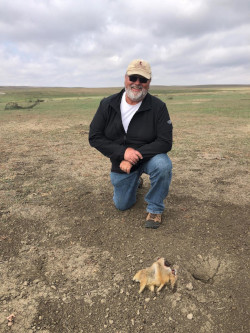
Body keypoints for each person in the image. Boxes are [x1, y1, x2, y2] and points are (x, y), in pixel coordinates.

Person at [89, 59, 173, 229]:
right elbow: (95, 137)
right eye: (133, 77)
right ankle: (135, 182)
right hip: (121, 161)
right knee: (122, 205)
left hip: (149, 158)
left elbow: (165, 142)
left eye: (142, 79)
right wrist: (122, 153)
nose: (137, 83)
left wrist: (132, 156)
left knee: (163, 165)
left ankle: (155, 208)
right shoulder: (108, 104)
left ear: (149, 82)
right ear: (125, 78)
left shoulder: (158, 107)